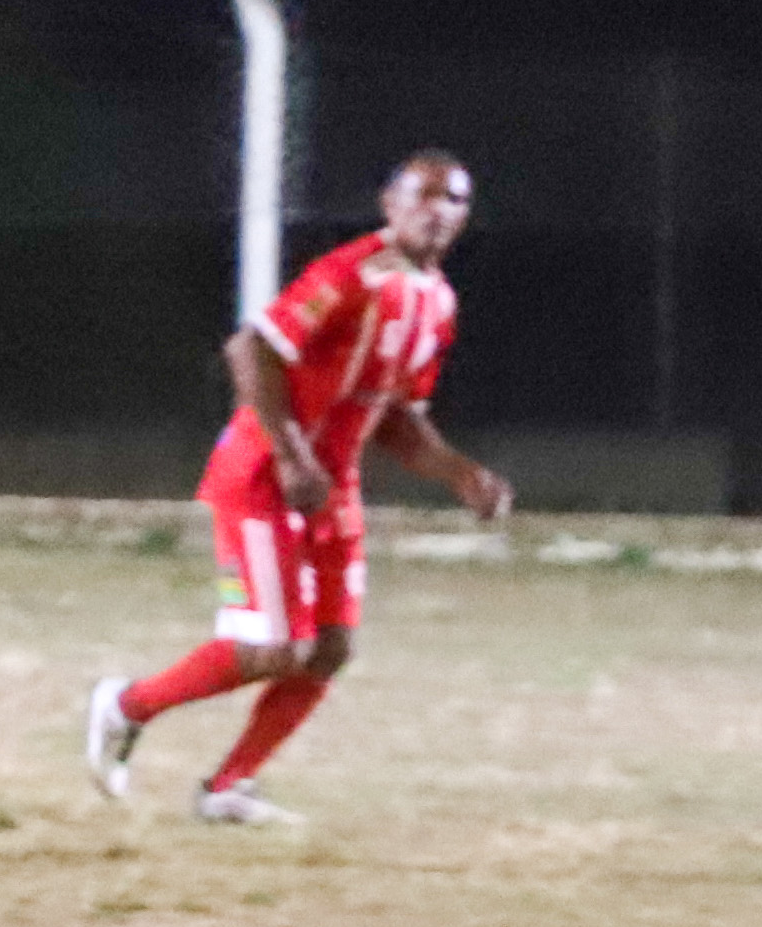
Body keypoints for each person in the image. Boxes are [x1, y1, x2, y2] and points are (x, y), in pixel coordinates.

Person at [83, 149, 512, 826]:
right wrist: (289, 456)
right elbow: (249, 350)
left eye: (452, 201)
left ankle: (228, 786)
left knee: (331, 646)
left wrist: (460, 473)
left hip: (327, 488)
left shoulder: (436, 303)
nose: (436, 212)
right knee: (271, 647)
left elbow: (395, 418)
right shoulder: (349, 273)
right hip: (262, 475)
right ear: (389, 204)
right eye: (421, 196)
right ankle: (124, 706)